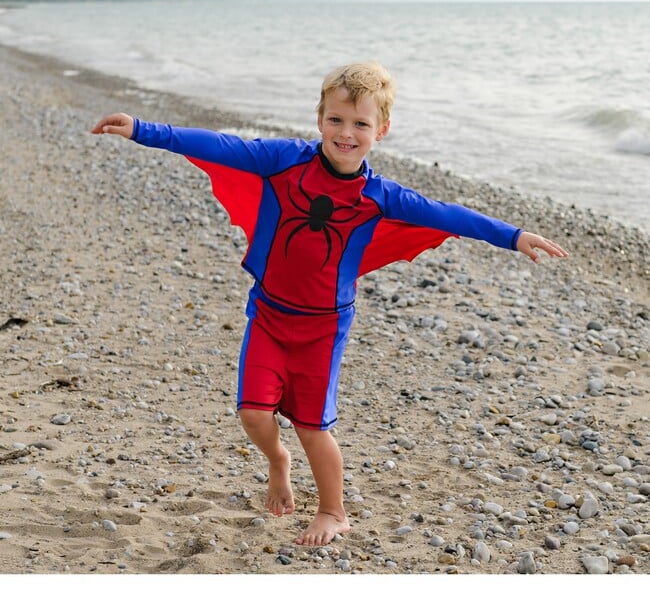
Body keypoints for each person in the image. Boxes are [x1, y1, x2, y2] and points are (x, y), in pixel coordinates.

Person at [91, 62, 568, 546]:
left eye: (360, 124)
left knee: (312, 426)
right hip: (270, 314)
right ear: (320, 119)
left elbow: (447, 214)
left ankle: (333, 511)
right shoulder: (284, 161)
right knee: (253, 414)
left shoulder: (379, 196)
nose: (346, 133)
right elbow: (223, 145)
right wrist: (142, 130)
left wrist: (513, 236)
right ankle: (278, 461)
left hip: (323, 329)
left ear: (381, 130)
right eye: (336, 120)